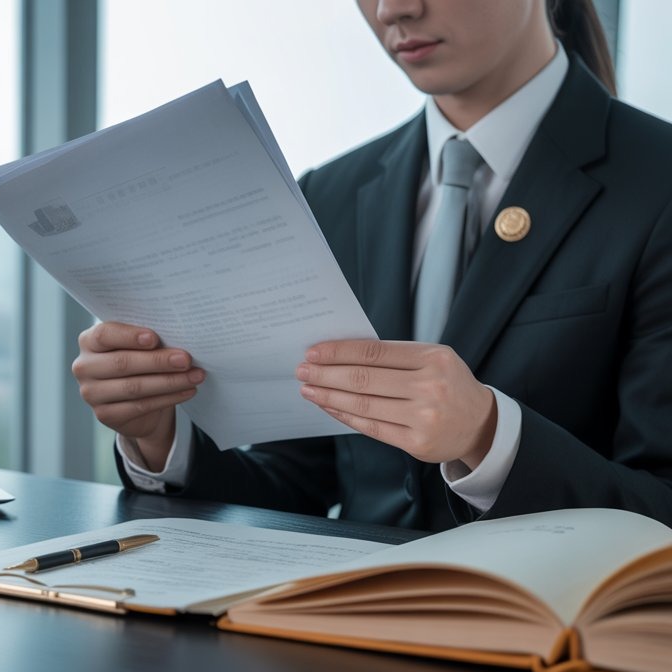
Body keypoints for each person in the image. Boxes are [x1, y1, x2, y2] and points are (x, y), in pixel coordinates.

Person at [71, 0, 672, 532]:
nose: (392, 9)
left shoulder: (658, 184)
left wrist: (489, 437)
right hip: (346, 637)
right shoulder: (333, 195)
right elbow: (297, 478)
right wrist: (160, 438)